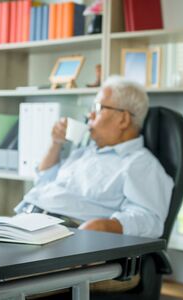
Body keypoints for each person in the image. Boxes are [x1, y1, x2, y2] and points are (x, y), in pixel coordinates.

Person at [14, 76, 174, 239]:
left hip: (67, 235)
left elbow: (150, 220)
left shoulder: (140, 163)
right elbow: (42, 181)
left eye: (98, 108)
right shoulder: (84, 152)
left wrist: (102, 226)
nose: (90, 115)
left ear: (123, 119)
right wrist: (56, 143)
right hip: (26, 221)